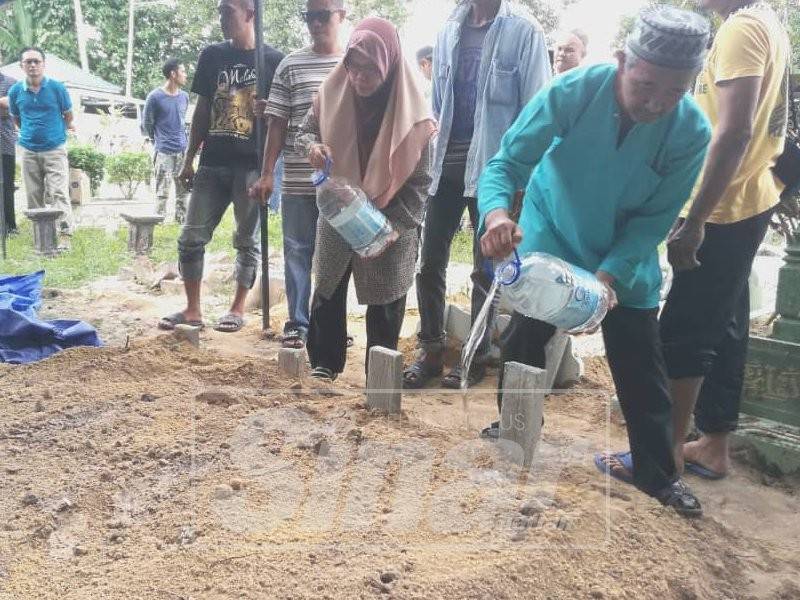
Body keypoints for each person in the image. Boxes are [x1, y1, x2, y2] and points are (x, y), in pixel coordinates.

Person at [478, 6, 712, 517]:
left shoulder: (692, 132)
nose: (656, 103)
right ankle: (515, 427)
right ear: (623, 60)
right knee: (525, 339)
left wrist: (605, 283)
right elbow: (507, 162)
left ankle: (658, 474)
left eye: (675, 92)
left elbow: (653, 222)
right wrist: (497, 215)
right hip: (554, 232)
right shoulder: (574, 91)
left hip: (624, 257)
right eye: (646, 85)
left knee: (639, 360)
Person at [662, 0, 790, 480]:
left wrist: (696, 219)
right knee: (725, 324)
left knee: (684, 327)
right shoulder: (765, 22)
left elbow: (735, 131)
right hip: (751, 197)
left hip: (722, 206)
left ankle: (665, 451)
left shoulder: (741, 29)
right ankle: (713, 444)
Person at [404, 0, 551, 391]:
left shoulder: (524, 30)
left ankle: (475, 354)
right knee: (428, 261)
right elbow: (438, 102)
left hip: (495, 171)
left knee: (486, 268)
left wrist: (522, 182)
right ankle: (431, 348)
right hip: (445, 168)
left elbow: (538, 108)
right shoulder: (450, 27)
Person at [297, 17, 435, 382]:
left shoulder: (415, 117)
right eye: (353, 67)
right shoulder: (332, 93)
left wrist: (389, 227)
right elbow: (305, 132)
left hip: (391, 217)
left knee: (386, 299)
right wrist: (314, 147)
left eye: (370, 70)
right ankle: (324, 364)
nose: (359, 78)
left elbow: (420, 185)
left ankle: (380, 374)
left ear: (388, 66)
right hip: (340, 210)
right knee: (327, 286)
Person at [158, 0, 283, 333]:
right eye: (219, 11)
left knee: (246, 239)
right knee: (190, 237)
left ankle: (237, 308)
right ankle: (193, 309)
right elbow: (201, 109)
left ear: (249, 13)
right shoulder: (212, 55)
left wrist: (268, 112)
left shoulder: (273, 61)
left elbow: (284, 120)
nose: (221, 17)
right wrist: (189, 158)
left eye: (227, 10)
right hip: (213, 161)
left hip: (251, 166)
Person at [249, 0, 346, 349]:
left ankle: (331, 324)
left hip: (341, 185)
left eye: (323, 16)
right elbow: (276, 124)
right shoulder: (291, 64)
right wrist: (266, 174)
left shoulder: (353, 63)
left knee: (335, 256)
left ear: (342, 16)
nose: (316, 24)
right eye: (310, 17)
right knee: (297, 250)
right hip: (296, 178)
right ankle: (298, 323)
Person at [8, 48, 74, 249]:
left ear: (43, 64)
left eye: (36, 61)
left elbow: (68, 116)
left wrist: (56, 134)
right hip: (28, 150)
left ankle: (64, 235)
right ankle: (42, 237)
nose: (33, 65)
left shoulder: (57, 88)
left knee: (58, 192)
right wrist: (30, 134)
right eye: (28, 62)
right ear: (22, 66)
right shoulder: (15, 91)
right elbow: (17, 118)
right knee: (33, 194)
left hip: (55, 149)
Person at [142, 58, 190, 223]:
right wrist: (158, 141)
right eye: (182, 71)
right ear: (173, 74)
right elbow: (147, 123)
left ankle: (182, 221)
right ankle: (158, 222)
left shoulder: (184, 96)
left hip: (183, 150)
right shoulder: (155, 97)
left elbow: (183, 121)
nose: (185, 75)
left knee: (183, 190)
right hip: (163, 152)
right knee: (162, 191)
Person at [0, 67, 17, 235]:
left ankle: (10, 226)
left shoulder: (11, 83)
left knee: (6, 186)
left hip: (4, 143)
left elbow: (10, 107)